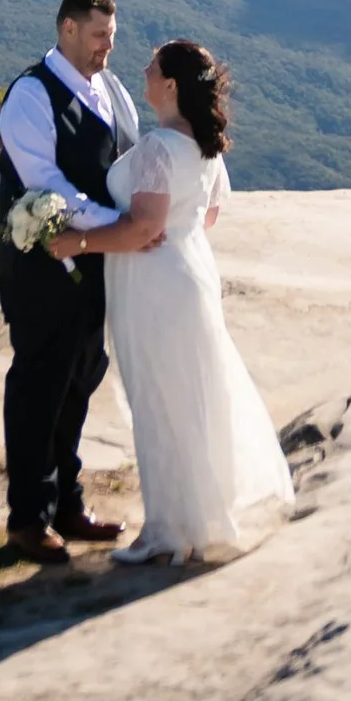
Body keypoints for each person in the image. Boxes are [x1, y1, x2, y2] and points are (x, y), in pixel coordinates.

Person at [55, 36, 294, 564]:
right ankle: (195, 521)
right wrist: (168, 228)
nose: (142, 68)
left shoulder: (161, 148)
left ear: (169, 85)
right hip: (188, 274)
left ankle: (164, 533)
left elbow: (143, 229)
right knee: (189, 400)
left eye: (152, 66)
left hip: (153, 285)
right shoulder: (202, 146)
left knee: (159, 403)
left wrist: (77, 242)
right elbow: (206, 215)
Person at [0, 0, 142, 562]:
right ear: (68, 29)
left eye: (112, 36)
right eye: (99, 35)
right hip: (39, 263)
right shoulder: (31, 94)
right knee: (39, 381)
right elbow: (45, 185)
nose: (107, 47)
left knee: (81, 374)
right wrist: (121, 225)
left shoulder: (112, 89)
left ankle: (68, 505)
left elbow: (125, 157)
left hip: (96, 256)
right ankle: (27, 518)